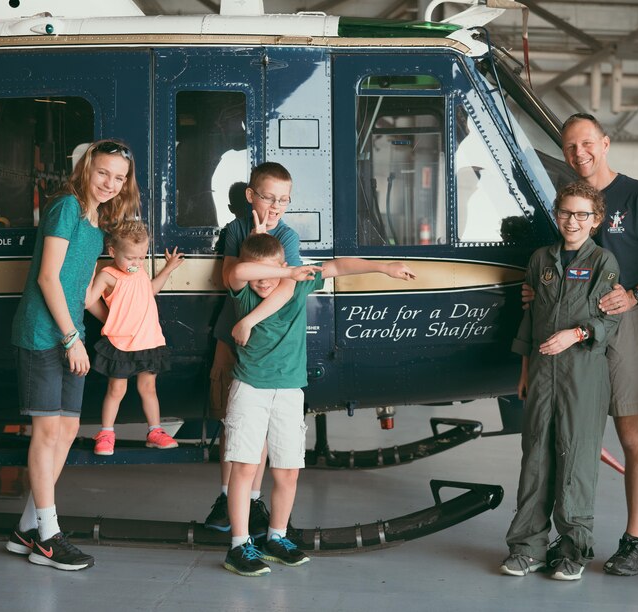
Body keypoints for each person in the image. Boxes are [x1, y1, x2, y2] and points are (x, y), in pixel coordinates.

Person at [222, 233, 415, 576]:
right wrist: (284, 272)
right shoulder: (243, 290)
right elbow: (241, 271)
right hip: (250, 389)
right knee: (245, 468)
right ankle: (239, 545)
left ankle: (276, 538)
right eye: (258, 274)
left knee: (288, 471)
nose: (263, 281)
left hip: (290, 391)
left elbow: (338, 265)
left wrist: (385, 267)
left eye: (273, 273)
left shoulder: (296, 285)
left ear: (283, 265)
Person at [550, 113, 638, 576]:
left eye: (586, 143)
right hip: (573, 328)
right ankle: (567, 538)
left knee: (630, 434)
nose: (578, 153)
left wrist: (637, 294)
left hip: (626, 324)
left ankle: (634, 540)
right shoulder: (566, 201)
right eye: (569, 147)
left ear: (604, 144)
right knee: (567, 436)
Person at [5, 139, 140, 571]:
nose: (110, 184)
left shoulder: (96, 220)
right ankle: (49, 536)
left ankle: (28, 529)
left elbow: (79, 290)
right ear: (86, 169)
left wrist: (117, 325)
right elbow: (48, 279)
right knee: (47, 433)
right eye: (103, 173)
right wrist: (69, 338)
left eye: (119, 178)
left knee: (67, 431)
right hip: (45, 334)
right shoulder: (66, 207)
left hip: (71, 332)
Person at [501, 181, 621, 581]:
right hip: (541, 374)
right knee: (535, 456)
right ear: (557, 215)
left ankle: (573, 549)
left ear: (596, 220)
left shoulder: (604, 262)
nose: (572, 221)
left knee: (575, 459)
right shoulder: (541, 260)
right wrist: (524, 372)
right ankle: (527, 546)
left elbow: (609, 319)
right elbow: (530, 318)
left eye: (582, 214)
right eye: (566, 213)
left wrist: (576, 334)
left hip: (582, 374)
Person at [205, 163, 302, 538]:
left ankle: (255, 501)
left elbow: (287, 288)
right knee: (235, 418)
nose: (275, 206)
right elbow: (228, 277)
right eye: (267, 197)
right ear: (250, 196)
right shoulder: (236, 230)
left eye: (283, 200)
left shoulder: (289, 237)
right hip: (231, 333)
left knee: (262, 425)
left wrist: (249, 320)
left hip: (266, 337)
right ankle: (229, 497)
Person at [85, 220, 185, 455]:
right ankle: (107, 433)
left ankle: (155, 431)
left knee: (149, 388)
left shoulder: (139, 271)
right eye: (131, 258)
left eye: (141, 258)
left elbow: (149, 291)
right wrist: (111, 319)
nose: (136, 263)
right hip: (121, 342)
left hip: (148, 340)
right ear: (112, 252)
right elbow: (89, 301)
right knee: (116, 390)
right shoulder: (108, 275)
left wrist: (168, 269)